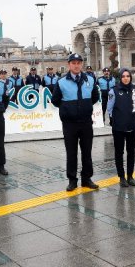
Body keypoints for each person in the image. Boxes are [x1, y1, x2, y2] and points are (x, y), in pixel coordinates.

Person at [51, 53, 100, 191]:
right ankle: (72, 180)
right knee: (71, 153)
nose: (76, 65)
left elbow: (95, 97)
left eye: (79, 63)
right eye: (74, 63)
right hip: (70, 124)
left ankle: (87, 179)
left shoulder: (90, 80)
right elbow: (55, 101)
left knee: (87, 152)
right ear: (69, 65)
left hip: (85, 122)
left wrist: (84, 107)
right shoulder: (61, 82)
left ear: (81, 64)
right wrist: (68, 109)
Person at [107, 68, 135, 187]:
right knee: (119, 152)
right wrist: (115, 119)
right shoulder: (114, 91)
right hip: (119, 127)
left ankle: (130, 176)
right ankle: (121, 176)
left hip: (132, 126)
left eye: (128, 76)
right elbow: (109, 108)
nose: (126, 78)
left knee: (131, 152)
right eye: (123, 76)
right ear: (120, 78)